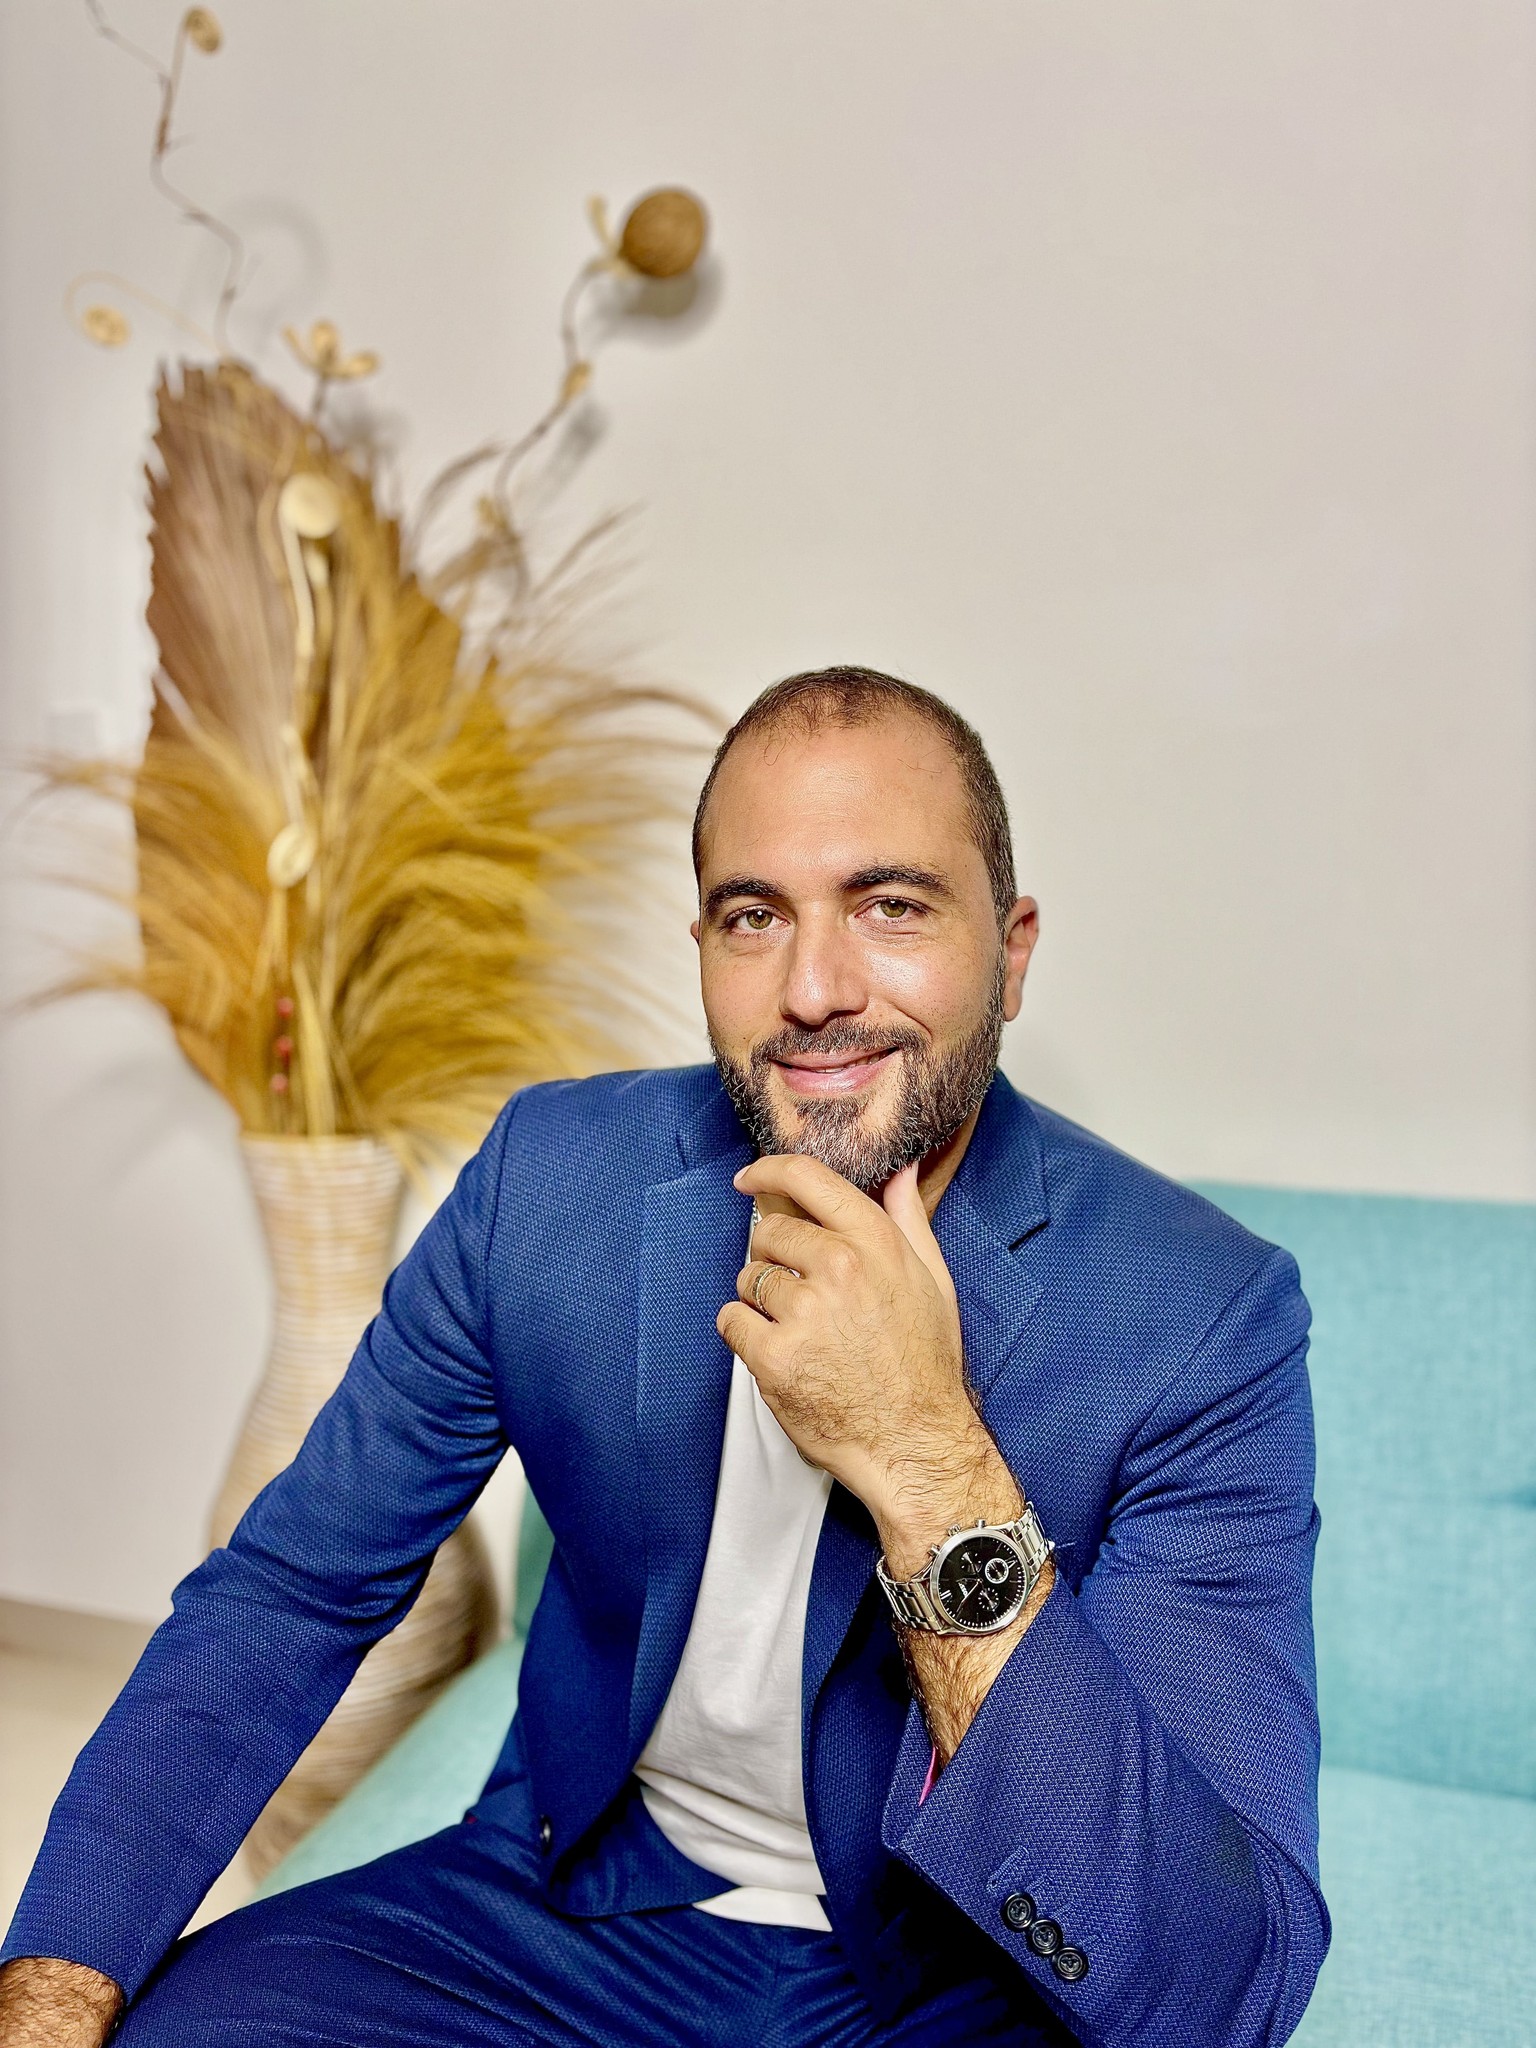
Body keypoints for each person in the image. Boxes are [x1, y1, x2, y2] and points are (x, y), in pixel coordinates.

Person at [0, 667, 1328, 2047]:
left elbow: (1219, 1986)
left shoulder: (1202, 1319)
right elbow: (290, 1595)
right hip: (565, 1913)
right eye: (754, 917)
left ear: (1013, 946)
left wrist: (927, 1457)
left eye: (891, 905)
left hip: (958, 1972)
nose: (813, 990)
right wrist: (53, 1985)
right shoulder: (549, 1181)